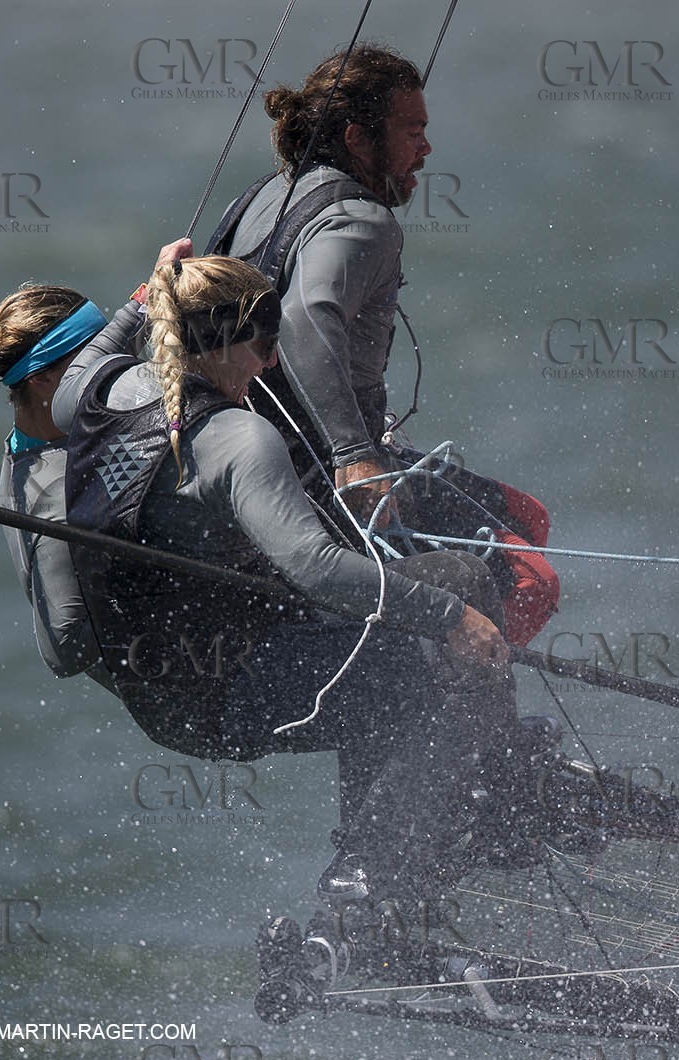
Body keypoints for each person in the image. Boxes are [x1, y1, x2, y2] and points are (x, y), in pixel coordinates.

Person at [51, 254, 545, 913]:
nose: (270, 363)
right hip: (217, 693)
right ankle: (372, 875)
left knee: (457, 575)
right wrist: (450, 619)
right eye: (262, 343)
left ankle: (487, 783)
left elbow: (97, 354)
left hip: (154, 686)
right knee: (405, 666)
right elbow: (314, 567)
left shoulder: (93, 392)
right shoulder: (238, 438)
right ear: (225, 340)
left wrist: (145, 296)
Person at [208, 44, 560, 647]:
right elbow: (301, 317)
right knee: (530, 579)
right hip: (318, 471)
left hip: (260, 449)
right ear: (357, 138)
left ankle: (456, 679)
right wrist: (354, 455)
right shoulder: (361, 220)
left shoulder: (266, 194)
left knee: (526, 517)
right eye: (412, 131)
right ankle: (472, 715)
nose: (426, 149)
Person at [0, 238, 188, 688]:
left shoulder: (54, 413)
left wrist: (150, 295)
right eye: (91, 360)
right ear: (43, 381)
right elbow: (64, 650)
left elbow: (105, 350)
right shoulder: (52, 495)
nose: (114, 369)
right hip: (179, 685)